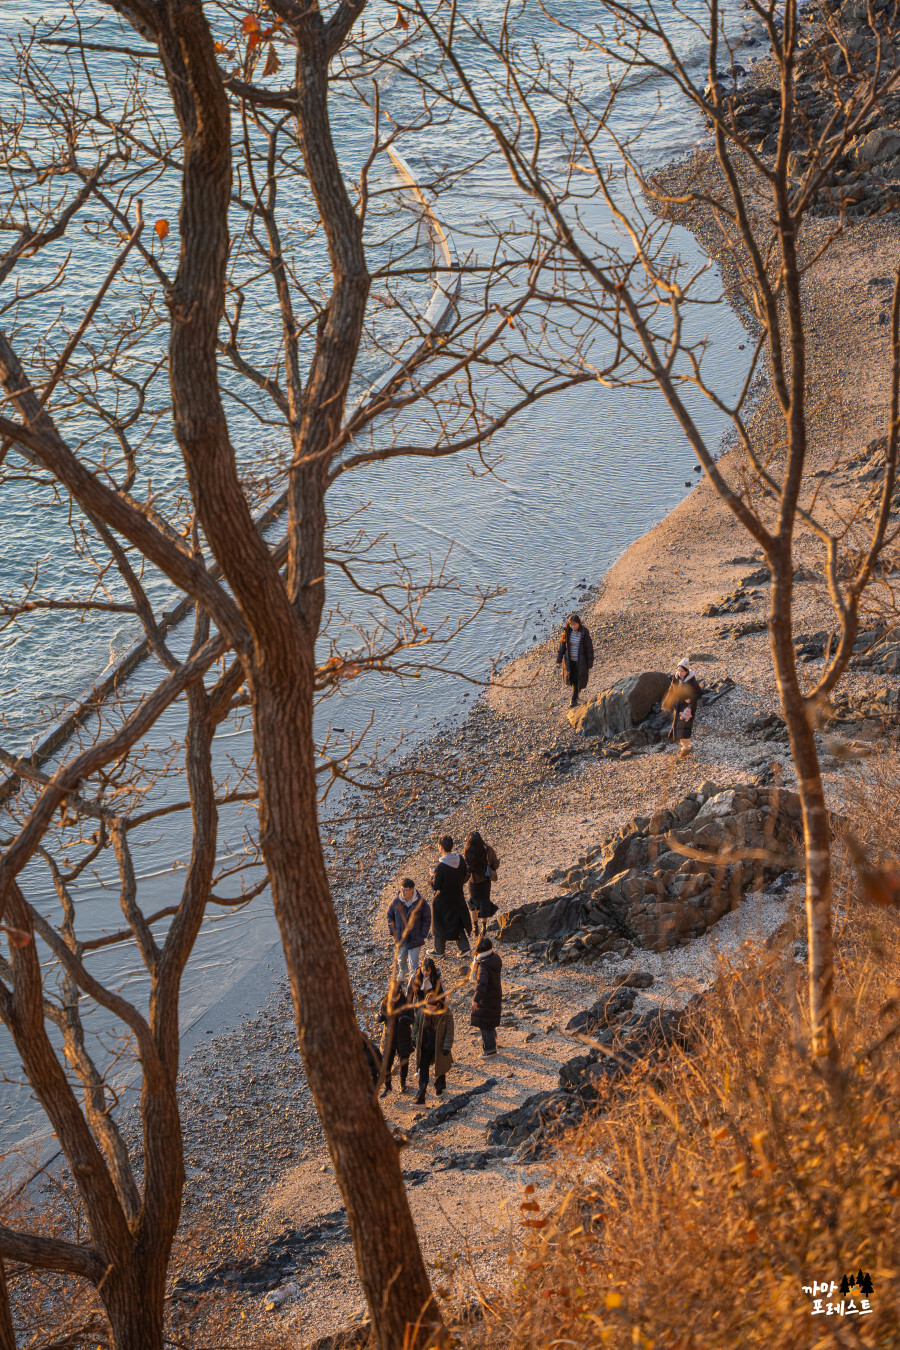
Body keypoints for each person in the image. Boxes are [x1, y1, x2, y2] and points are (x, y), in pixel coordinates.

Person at [410, 958, 455, 1104]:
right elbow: (416, 1026)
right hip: (425, 1042)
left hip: (438, 1042)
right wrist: (414, 1039)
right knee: (423, 1068)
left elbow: (449, 1031)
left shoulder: (446, 1014)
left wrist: (447, 1047)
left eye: (431, 1007)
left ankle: (439, 1087)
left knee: (440, 1066)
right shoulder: (422, 1011)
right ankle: (421, 1095)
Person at [430, 835, 471, 956]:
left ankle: (439, 950)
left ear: (440, 847)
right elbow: (464, 875)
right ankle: (465, 948)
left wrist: (432, 875)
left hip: (442, 900)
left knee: (439, 924)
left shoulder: (440, 867)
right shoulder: (460, 859)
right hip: (457, 896)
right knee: (457, 922)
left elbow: (435, 886)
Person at [376, 978, 415, 1096]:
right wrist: (379, 1018)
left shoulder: (407, 1003)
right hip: (389, 1038)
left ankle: (403, 1083)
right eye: (391, 996)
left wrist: (404, 1019)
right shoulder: (385, 1002)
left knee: (403, 1062)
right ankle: (388, 1087)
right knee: (386, 1063)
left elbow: (413, 1019)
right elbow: (381, 1015)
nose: (393, 998)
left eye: (395, 996)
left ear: (400, 993)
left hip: (403, 1037)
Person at [387, 878, 431, 979]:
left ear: (412, 890)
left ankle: (412, 980)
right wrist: (393, 932)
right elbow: (389, 916)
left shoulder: (421, 903)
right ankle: (403, 971)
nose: (403, 892)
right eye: (402, 889)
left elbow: (427, 918)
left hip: (415, 937)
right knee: (401, 959)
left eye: (405, 890)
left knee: (413, 962)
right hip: (400, 937)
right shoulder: (396, 901)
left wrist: (423, 934)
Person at [470, 936, 503, 1056]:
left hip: (487, 997)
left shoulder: (483, 965)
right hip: (495, 993)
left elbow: (482, 985)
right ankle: (492, 1038)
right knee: (491, 1019)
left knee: (484, 1023)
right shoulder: (495, 958)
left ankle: (490, 1049)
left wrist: (476, 999)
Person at [464, 830, 499, 938]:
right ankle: (484, 926)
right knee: (485, 902)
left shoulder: (467, 852)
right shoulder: (487, 850)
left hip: (473, 882)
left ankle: (475, 927)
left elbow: (466, 868)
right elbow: (495, 864)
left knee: (473, 903)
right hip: (485, 881)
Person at [556, 612, 595, 708]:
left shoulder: (584, 633)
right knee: (572, 678)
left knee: (578, 679)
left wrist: (590, 662)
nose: (573, 626)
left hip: (580, 661)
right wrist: (559, 658)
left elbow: (589, 649)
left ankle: (573, 699)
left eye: (575, 624)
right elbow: (562, 646)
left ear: (579, 623)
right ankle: (576, 693)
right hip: (569, 661)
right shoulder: (567, 632)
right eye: (571, 624)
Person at [664, 660, 702, 758]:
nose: (680, 673)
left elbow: (699, 693)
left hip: (688, 707)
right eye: (679, 670)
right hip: (678, 705)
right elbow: (671, 691)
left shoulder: (691, 681)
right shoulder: (675, 678)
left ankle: (686, 747)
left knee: (684, 725)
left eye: (682, 671)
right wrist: (666, 703)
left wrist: (691, 699)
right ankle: (685, 746)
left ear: (687, 671)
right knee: (678, 724)